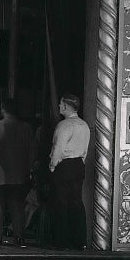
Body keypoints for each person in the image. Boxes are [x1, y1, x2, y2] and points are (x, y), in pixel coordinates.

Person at [0, 98, 34, 247]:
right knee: (17, 207)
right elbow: (31, 151)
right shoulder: (26, 128)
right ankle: (19, 237)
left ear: (3, 109)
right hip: (19, 174)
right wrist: (28, 169)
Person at [47, 93, 90, 249]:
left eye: (60, 104)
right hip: (78, 165)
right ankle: (79, 241)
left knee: (61, 203)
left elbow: (57, 148)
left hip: (64, 166)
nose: (58, 106)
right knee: (76, 202)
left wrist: (52, 166)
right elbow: (85, 149)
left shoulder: (64, 125)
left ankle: (61, 241)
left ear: (65, 106)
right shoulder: (84, 125)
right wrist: (80, 162)